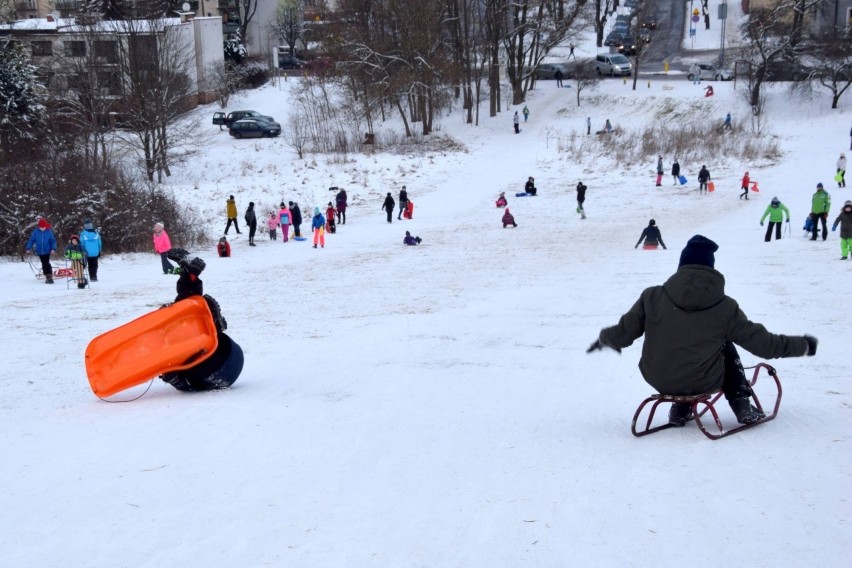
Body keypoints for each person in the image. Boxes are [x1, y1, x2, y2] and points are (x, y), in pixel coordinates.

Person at [588, 234, 818, 426]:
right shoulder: (725, 307)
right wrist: (804, 345)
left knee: (682, 338)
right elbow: (764, 345)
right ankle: (741, 403)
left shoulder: (652, 296)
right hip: (702, 381)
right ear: (711, 269)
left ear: (681, 267)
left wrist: (604, 339)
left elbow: (623, 334)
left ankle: (681, 408)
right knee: (724, 344)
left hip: (658, 378)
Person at [159, 248, 244, 392]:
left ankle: (191, 279)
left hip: (221, 362)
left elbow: (186, 384)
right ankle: (190, 279)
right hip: (221, 360)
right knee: (186, 327)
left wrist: (174, 379)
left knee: (186, 334)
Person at [26, 218, 57, 283]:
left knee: (46, 262)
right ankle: (47, 275)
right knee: (43, 263)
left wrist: (53, 249)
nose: (42, 228)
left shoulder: (49, 232)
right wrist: (28, 248)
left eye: (44, 227)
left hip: (47, 250)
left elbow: (53, 241)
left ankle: (49, 275)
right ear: (39, 227)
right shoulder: (36, 232)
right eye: (41, 227)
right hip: (39, 251)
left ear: (46, 226)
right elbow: (31, 240)